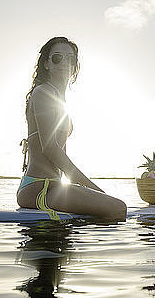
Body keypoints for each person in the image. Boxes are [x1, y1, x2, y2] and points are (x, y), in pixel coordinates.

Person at [17, 37, 127, 220]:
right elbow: (50, 148)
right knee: (118, 208)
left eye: (70, 58)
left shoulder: (58, 98)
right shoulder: (44, 92)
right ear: (46, 64)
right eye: (57, 58)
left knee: (108, 207)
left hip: (53, 186)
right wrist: (92, 188)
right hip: (39, 187)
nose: (65, 63)